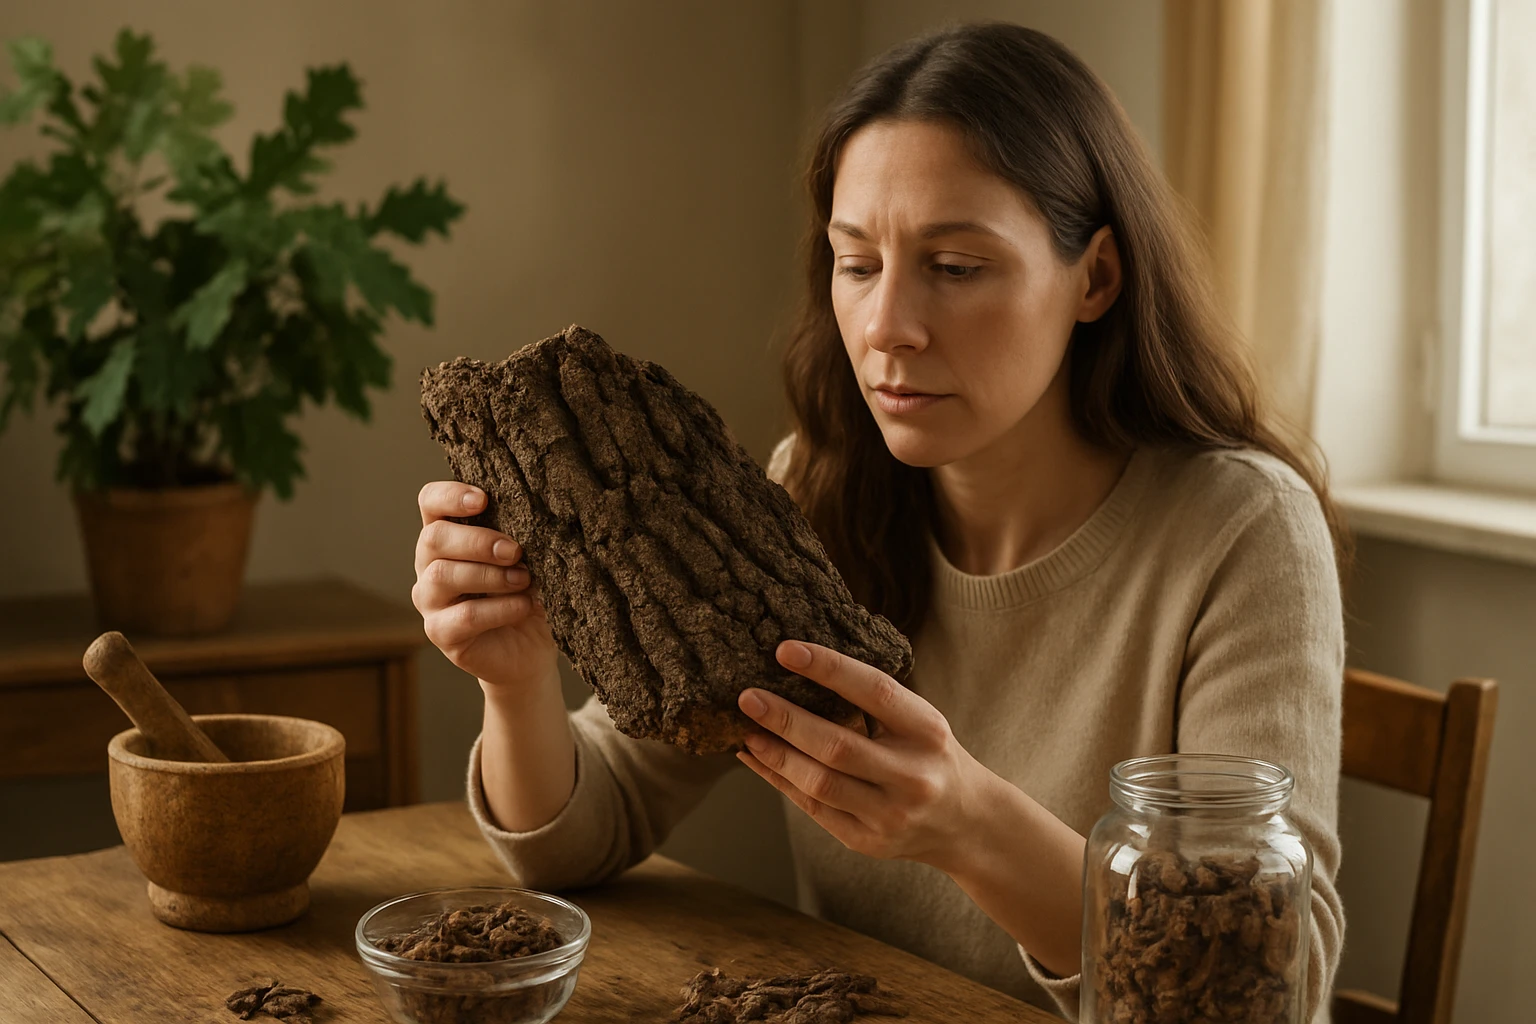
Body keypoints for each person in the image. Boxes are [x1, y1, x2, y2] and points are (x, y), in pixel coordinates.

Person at [411, 22, 1345, 1022]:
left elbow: (1264, 988)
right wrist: (515, 682)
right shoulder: (817, 487)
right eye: (856, 263)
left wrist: (968, 824)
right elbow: (581, 836)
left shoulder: (1243, 530)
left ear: (1096, 278)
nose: (888, 325)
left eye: (954, 265)